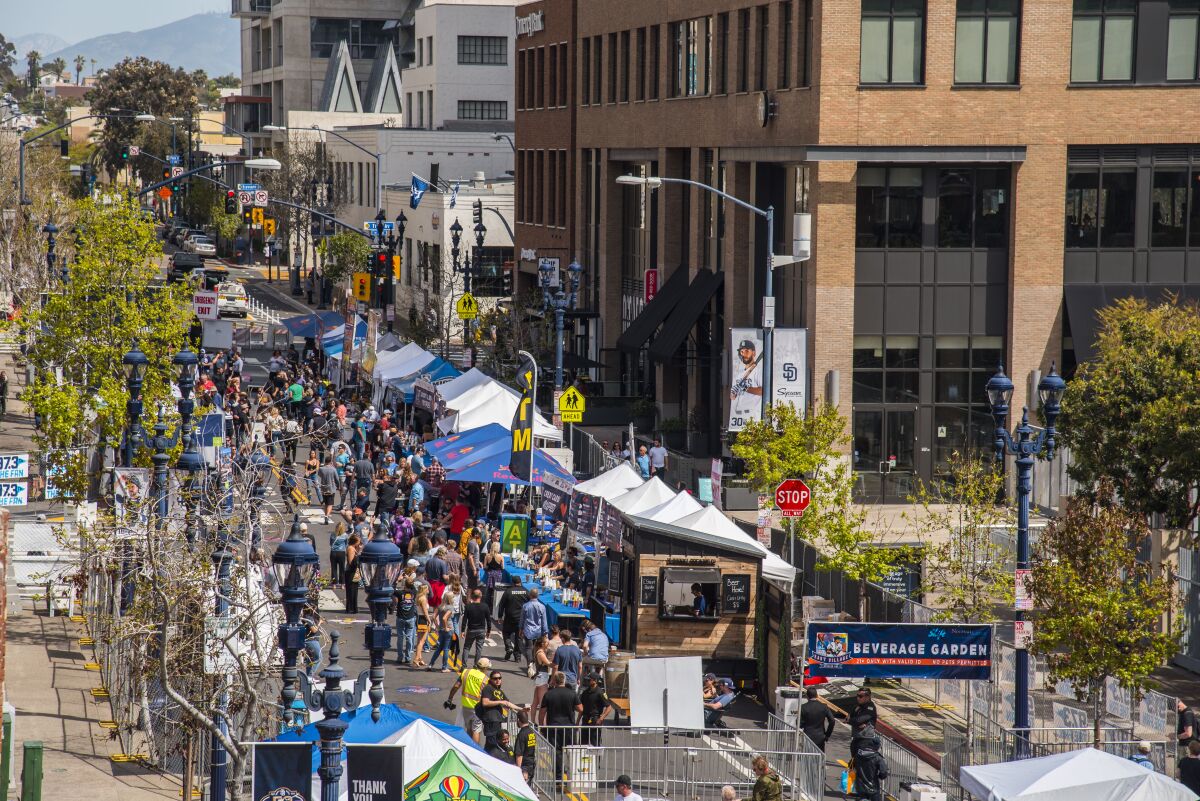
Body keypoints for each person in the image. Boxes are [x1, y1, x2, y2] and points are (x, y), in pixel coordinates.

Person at [540, 672, 582, 782]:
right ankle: (573, 777)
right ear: (564, 680)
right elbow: (581, 709)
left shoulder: (549, 694)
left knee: (557, 753)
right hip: (569, 728)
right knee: (571, 752)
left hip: (553, 728)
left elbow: (542, 712)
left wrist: (542, 727)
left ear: (554, 681)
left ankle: (558, 778)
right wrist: (576, 721)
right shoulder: (571, 693)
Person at [446, 657, 490, 744]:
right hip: (478, 708)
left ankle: (469, 747)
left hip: (466, 706)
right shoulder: (485, 679)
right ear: (485, 668)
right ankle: (475, 751)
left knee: (469, 729)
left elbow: (456, 686)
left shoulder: (466, 672)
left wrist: (450, 698)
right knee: (476, 730)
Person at [477, 670, 521, 749]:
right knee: (492, 744)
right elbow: (485, 702)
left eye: (499, 678)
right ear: (490, 679)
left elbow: (507, 703)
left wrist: (521, 709)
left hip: (497, 721)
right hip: (490, 721)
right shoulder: (488, 688)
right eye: (495, 678)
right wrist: (500, 702)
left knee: (492, 744)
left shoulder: (499, 691)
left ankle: (487, 758)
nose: (498, 680)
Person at [849, 724, 885, 801]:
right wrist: (880, 776)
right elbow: (883, 773)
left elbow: (851, 765)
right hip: (873, 786)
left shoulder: (857, 755)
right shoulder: (878, 758)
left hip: (860, 786)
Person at [498, 582, 530, 661]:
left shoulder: (508, 591)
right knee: (518, 637)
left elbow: (501, 604)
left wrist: (500, 616)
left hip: (509, 617)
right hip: (521, 619)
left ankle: (509, 647)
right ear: (520, 582)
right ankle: (517, 657)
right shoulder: (526, 591)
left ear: (513, 583)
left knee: (506, 633)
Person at [799, 687, 836, 752]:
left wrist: (803, 725)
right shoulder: (824, 706)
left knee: (807, 757)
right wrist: (827, 735)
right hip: (820, 736)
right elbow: (832, 720)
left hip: (808, 736)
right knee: (819, 757)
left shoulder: (803, 707)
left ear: (807, 696)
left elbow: (799, 723)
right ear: (817, 695)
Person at [579, 672, 610, 745]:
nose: (588, 681)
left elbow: (609, 707)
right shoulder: (585, 692)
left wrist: (601, 718)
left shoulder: (600, 692)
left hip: (595, 720)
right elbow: (581, 708)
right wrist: (577, 721)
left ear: (595, 681)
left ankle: (597, 757)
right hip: (585, 720)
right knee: (582, 744)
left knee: (595, 743)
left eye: (589, 680)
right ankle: (584, 757)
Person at [461, 589, 491, 664]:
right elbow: (488, 620)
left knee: (466, 648)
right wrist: (488, 631)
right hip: (481, 630)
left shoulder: (468, 606)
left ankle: (464, 665)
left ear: (472, 596)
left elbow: (464, 620)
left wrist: (462, 630)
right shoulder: (485, 606)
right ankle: (476, 665)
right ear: (481, 596)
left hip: (471, 630)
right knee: (479, 649)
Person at [394, 574, 419, 664]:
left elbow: (392, 589)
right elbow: (412, 586)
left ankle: (400, 657)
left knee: (400, 638)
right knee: (409, 638)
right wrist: (409, 579)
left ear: (405, 584)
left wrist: (398, 580)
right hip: (410, 618)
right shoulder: (414, 593)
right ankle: (408, 657)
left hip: (400, 617)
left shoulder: (400, 593)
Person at [521, 588, 550, 662]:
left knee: (528, 648)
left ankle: (530, 664)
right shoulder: (542, 607)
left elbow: (522, 619)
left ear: (530, 595)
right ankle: (534, 662)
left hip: (528, 630)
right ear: (538, 596)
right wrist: (545, 632)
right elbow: (544, 621)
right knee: (536, 648)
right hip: (538, 631)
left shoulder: (525, 606)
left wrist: (520, 629)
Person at [529, 635, 553, 721]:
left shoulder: (539, 651)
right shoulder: (541, 653)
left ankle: (532, 721)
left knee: (535, 702)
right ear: (542, 644)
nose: (548, 643)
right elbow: (549, 664)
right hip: (542, 678)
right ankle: (542, 725)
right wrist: (556, 662)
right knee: (542, 703)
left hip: (540, 677)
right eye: (547, 642)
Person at [515, 710, 537, 783]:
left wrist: (518, 770)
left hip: (524, 767)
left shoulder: (521, 734)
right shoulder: (531, 732)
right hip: (531, 764)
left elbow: (519, 754)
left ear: (518, 720)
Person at [344, 534, 363, 613]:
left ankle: (353, 607)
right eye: (358, 542)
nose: (359, 543)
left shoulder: (354, 548)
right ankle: (351, 608)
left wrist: (359, 550)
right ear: (354, 542)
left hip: (355, 572)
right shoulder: (351, 549)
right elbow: (351, 562)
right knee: (351, 590)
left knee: (354, 590)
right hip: (351, 572)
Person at [329, 522, 349, 588]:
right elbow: (346, 544)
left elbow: (330, 543)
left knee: (334, 568)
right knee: (342, 568)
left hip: (333, 552)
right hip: (341, 552)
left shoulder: (333, 534)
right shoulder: (345, 535)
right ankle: (342, 584)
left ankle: (334, 584)